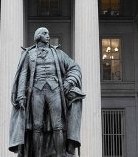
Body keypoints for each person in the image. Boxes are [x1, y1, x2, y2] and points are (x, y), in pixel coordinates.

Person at [9, 27, 85, 157]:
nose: (48, 36)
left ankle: (61, 155)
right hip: (36, 92)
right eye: (45, 33)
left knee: (58, 126)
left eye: (48, 34)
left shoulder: (58, 53)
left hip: (55, 90)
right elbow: (23, 74)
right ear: (38, 36)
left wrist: (69, 82)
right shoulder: (28, 54)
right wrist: (21, 95)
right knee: (36, 126)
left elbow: (75, 67)